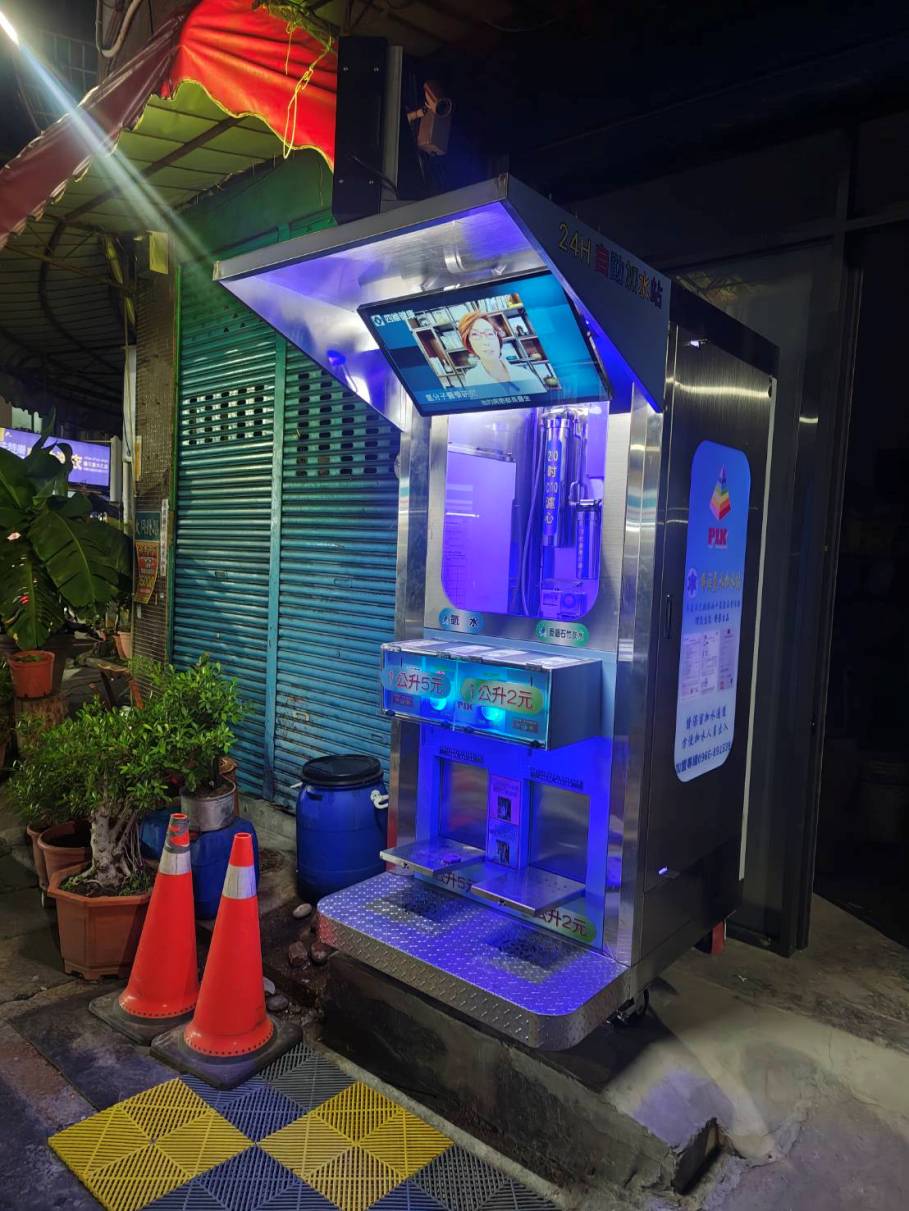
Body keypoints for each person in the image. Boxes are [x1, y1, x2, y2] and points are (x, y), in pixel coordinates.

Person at [455, 313, 545, 394]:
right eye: (475, 335)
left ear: (498, 339)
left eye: (490, 334)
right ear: (469, 343)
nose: (486, 342)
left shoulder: (525, 375)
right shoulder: (472, 377)